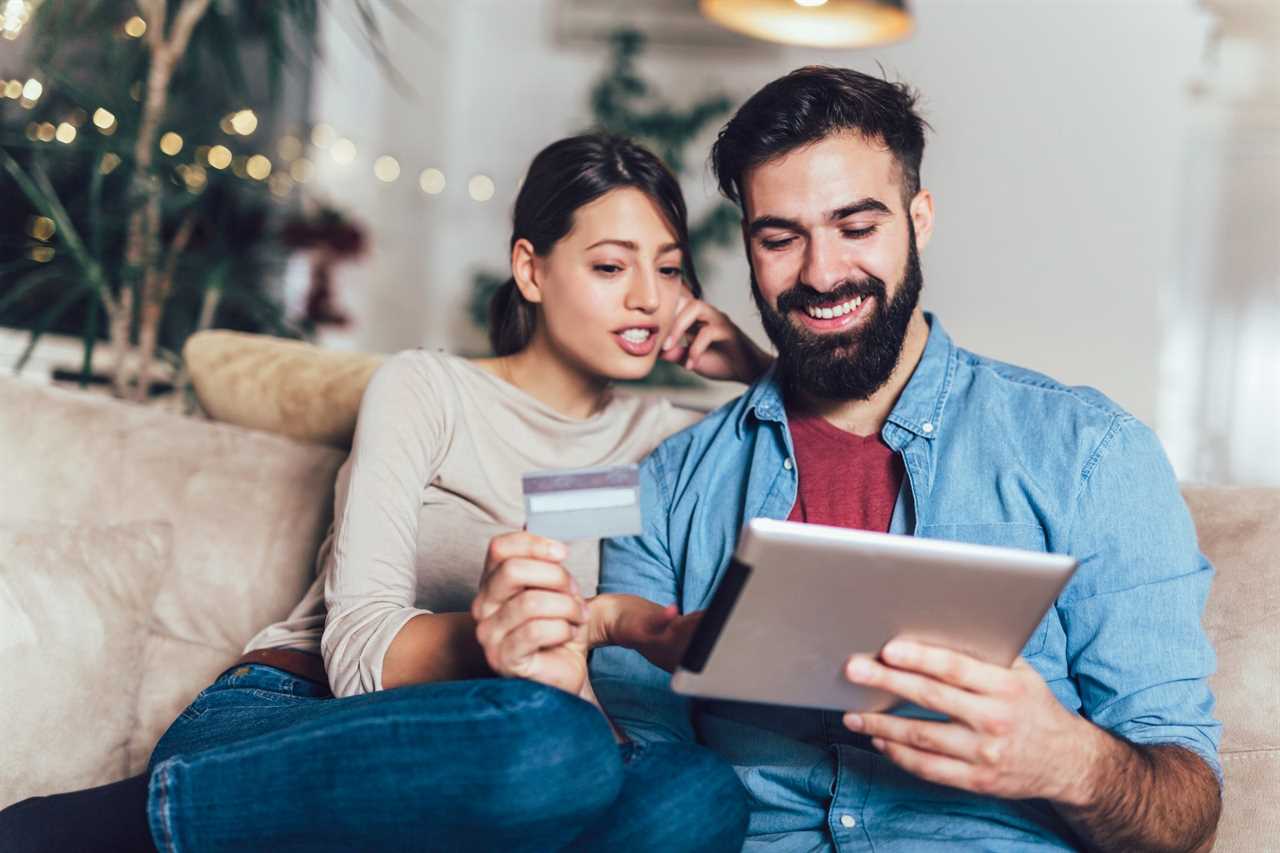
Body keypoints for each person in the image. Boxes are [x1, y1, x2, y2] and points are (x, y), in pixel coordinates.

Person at [0, 133, 759, 853]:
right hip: (301, 716)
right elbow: (356, 650)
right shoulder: (425, 389)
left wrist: (756, 367)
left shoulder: (668, 437)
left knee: (700, 790)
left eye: (669, 268)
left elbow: (823, 434)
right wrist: (517, 638)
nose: (650, 299)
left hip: (518, 763)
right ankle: (97, 826)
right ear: (531, 269)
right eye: (611, 267)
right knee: (551, 741)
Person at [583, 67, 1223, 851]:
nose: (822, 274)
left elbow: (1184, 816)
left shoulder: (1090, 454)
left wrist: (1071, 763)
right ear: (748, 246)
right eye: (781, 238)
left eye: (857, 228)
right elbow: (639, 784)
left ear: (919, 219)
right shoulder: (672, 485)